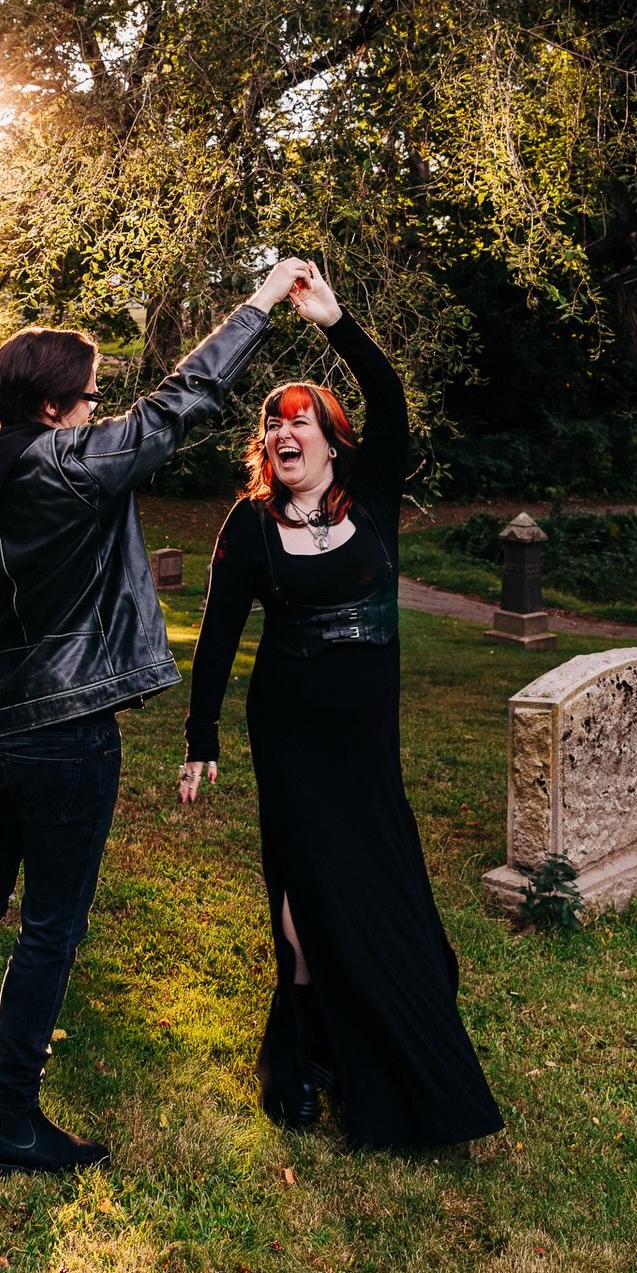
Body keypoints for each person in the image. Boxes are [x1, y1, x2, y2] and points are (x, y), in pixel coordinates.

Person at [0, 257, 311, 1177]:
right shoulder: (71, 462)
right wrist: (258, 302)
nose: (99, 409)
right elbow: (186, 398)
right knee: (51, 920)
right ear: (53, 409)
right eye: (90, 397)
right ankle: (9, 1120)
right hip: (63, 729)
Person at [179, 261, 504, 1153]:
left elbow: (393, 403)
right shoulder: (249, 526)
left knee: (380, 892)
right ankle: (296, 1059)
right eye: (272, 424)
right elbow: (216, 635)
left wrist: (335, 321)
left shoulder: (375, 501)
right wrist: (201, 735)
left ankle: (366, 1055)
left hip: (366, 747)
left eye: (301, 421)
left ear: (331, 439)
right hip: (289, 735)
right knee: (302, 902)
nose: (285, 433)